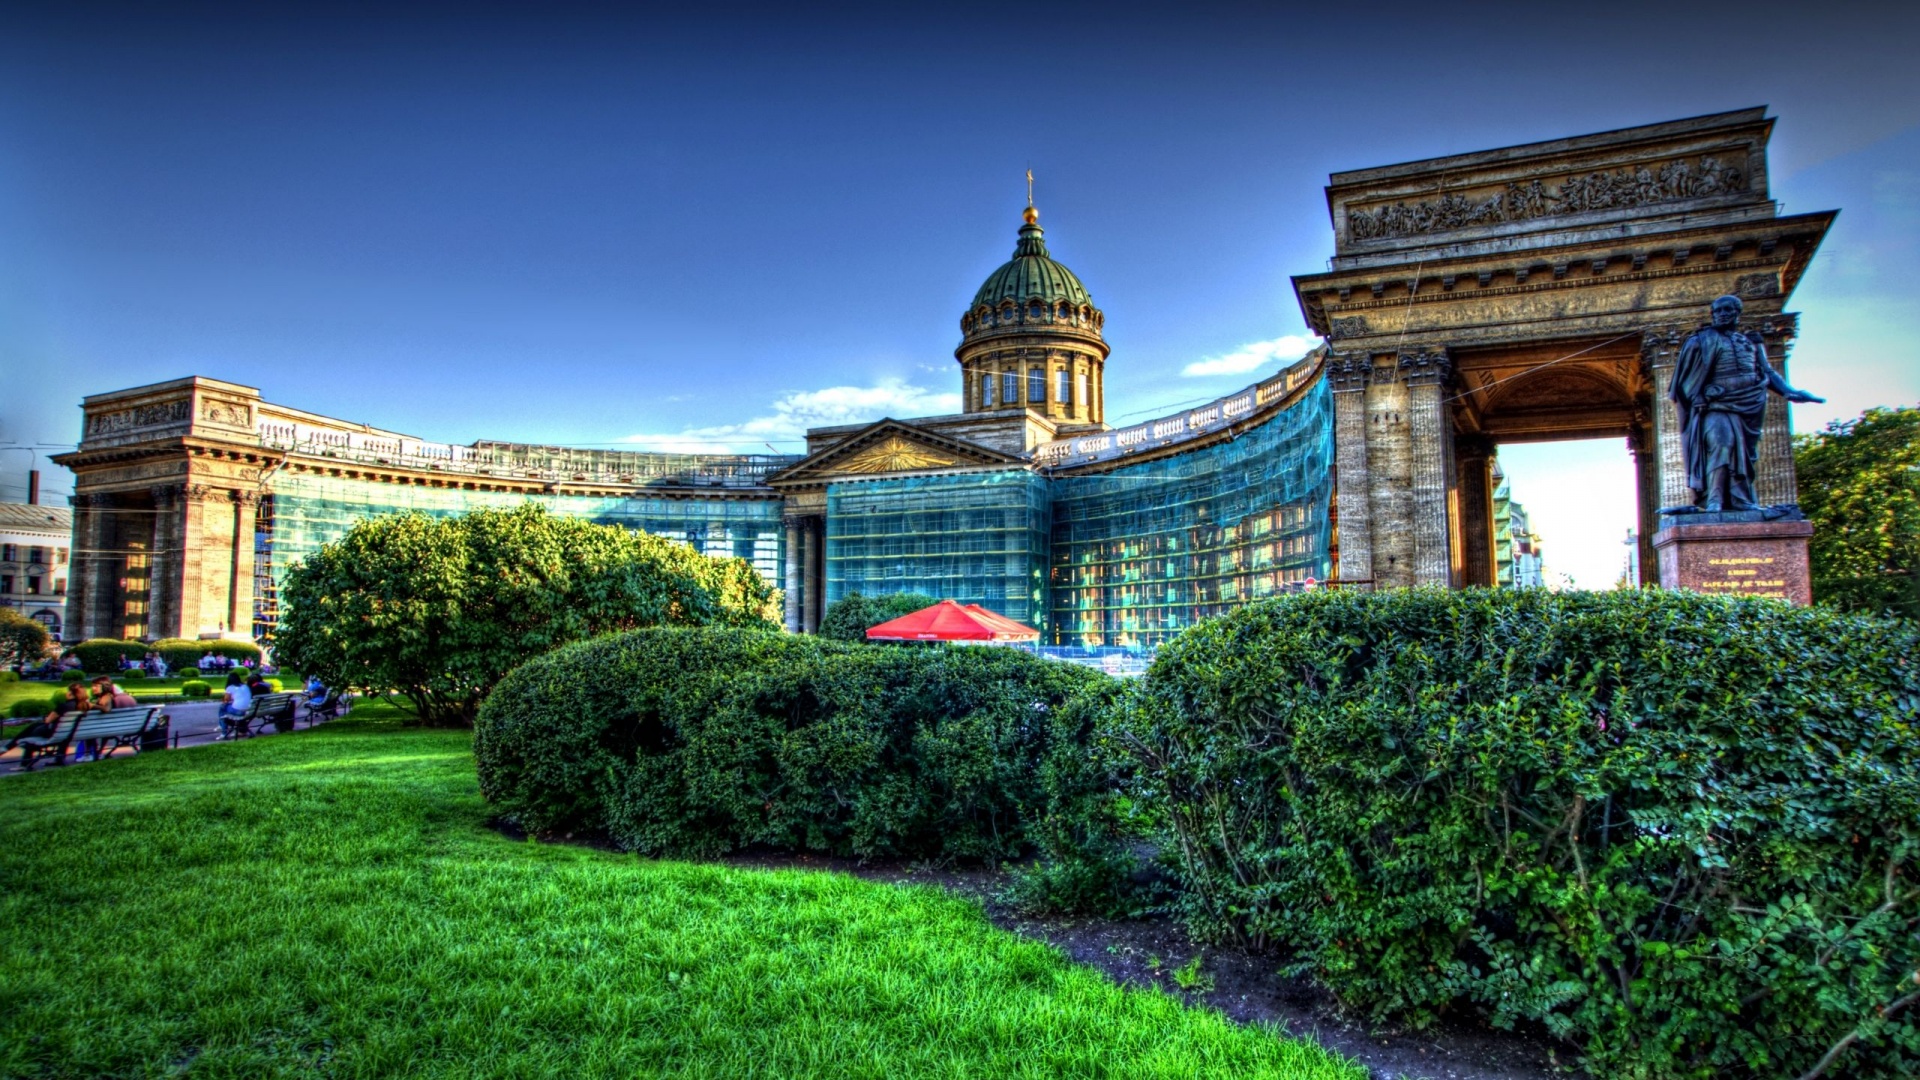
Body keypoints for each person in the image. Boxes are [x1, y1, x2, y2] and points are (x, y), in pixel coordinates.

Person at [1670, 294, 1824, 513]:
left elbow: (1766, 371)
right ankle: (1714, 500)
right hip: (1717, 405)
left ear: (1737, 314)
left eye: (1728, 310)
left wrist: (1789, 392)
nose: (1722, 315)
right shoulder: (1699, 341)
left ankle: (1741, 500)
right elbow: (1683, 383)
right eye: (1718, 311)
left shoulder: (1750, 341)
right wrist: (1702, 394)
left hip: (1749, 403)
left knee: (1743, 456)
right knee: (1721, 443)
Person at [5, 682, 91, 764]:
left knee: (32, 731)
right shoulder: (85, 706)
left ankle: (16, 754)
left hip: (53, 733)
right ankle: (10, 746)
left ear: (70, 693)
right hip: (70, 733)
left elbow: (47, 721)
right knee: (34, 727)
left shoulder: (63, 706)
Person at [216, 672, 252, 741]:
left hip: (239, 711)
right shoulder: (245, 686)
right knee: (227, 707)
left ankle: (223, 731)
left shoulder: (230, 687)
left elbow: (226, 700)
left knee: (222, 707)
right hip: (249, 710)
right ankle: (243, 730)